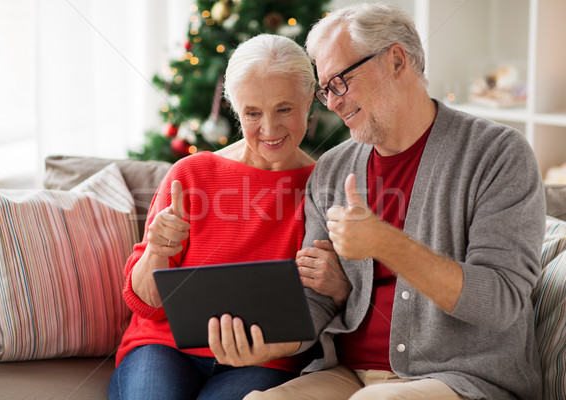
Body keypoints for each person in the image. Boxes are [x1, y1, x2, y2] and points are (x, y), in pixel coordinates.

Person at [210, 4, 546, 400]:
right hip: (348, 374)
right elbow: (315, 298)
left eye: (340, 82)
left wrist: (384, 243)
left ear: (396, 60)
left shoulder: (497, 155)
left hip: (463, 378)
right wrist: (266, 343)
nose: (332, 103)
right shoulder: (333, 169)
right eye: (325, 89)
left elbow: (501, 301)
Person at [108, 34, 321, 400]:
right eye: (253, 113)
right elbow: (143, 302)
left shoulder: (322, 186)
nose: (269, 129)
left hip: (265, 360)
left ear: (309, 102)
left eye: (284, 109)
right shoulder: (190, 174)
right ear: (235, 110)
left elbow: (324, 307)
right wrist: (156, 252)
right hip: (164, 348)